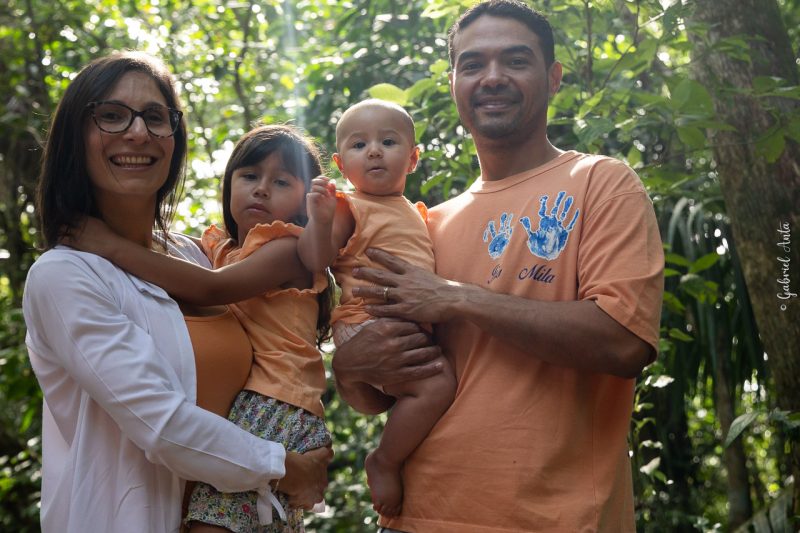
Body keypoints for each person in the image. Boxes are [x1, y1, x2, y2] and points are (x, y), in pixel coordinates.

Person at [331, 1, 665, 532]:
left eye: (515, 60)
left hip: (555, 520)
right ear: (454, 84)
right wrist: (348, 370)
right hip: (417, 515)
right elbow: (381, 393)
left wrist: (457, 297)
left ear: (553, 78)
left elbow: (624, 343)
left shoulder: (601, 183)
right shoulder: (425, 225)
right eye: (472, 64)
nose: (492, 77)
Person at [23, 51, 331, 533]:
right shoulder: (64, 275)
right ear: (73, 138)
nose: (138, 132)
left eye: (155, 116)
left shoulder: (197, 256)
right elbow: (161, 425)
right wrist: (288, 468)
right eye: (111, 115)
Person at [297, 99, 457, 517]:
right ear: (340, 164)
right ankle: (385, 460)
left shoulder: (415, 213)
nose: (373, 151)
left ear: (413, 159)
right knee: (436, 385)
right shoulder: (350, 207)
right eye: (358, 144)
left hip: (395, 326)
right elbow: (316, 260)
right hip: (367, 323)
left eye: (388, 142)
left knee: (425, 388)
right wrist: (319, 220)